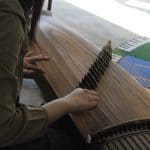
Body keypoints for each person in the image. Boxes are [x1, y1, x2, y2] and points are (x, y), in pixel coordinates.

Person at [0, 0, 99, 149]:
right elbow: (4, 129)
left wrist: (14, 62)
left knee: (60, 120)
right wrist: (67, 102)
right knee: (78, 139)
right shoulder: (8, 19)